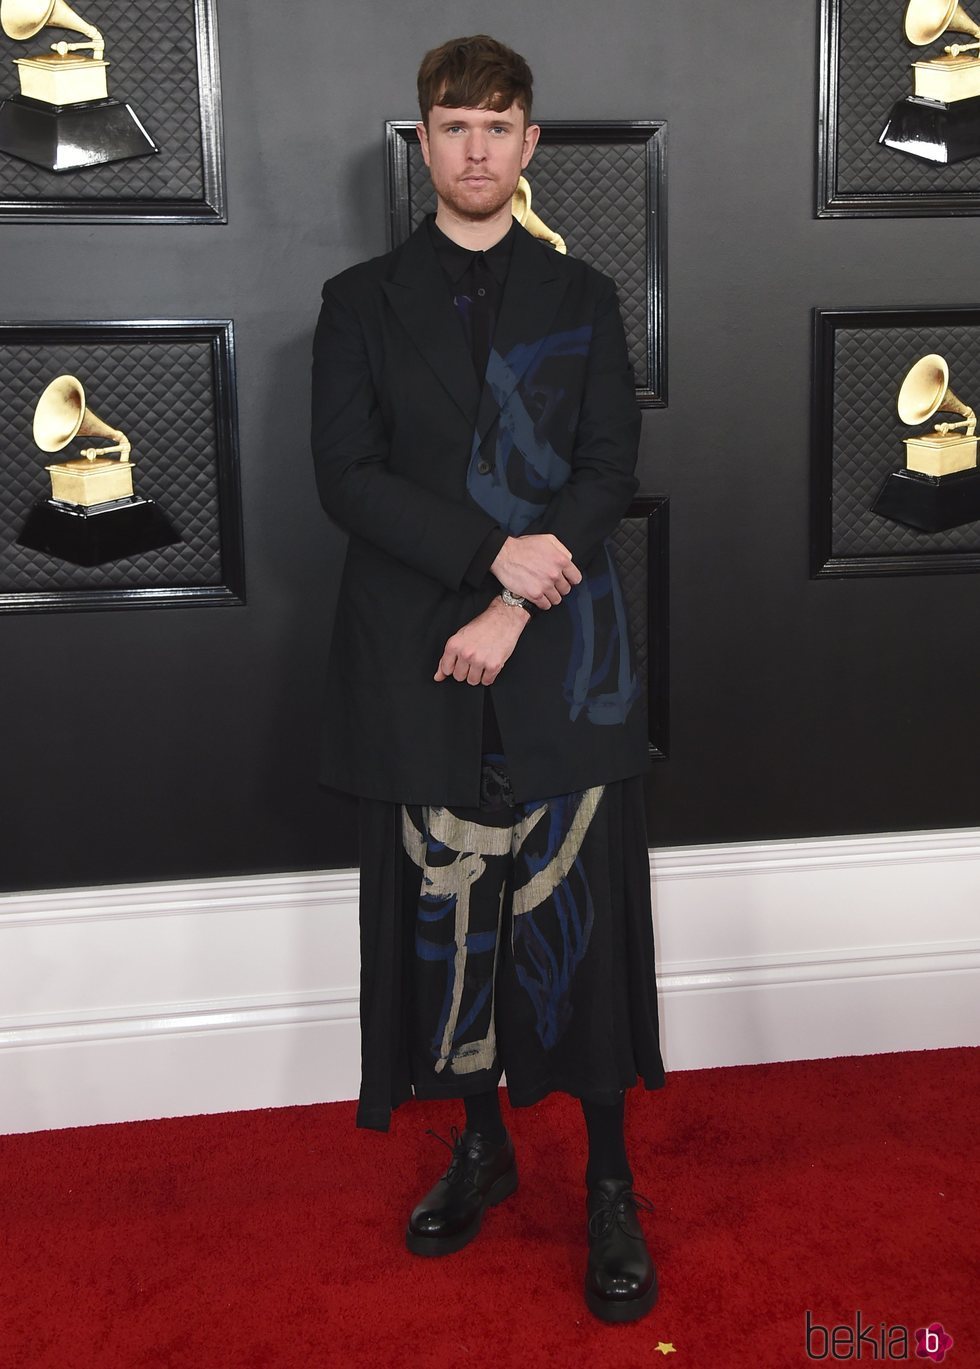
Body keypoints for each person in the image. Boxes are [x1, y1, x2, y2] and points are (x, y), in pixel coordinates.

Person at [311, 33, 665, 1324]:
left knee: (585, 930)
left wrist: (517, 595)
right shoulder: (359, 303)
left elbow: (606, 468)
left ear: (531, 143)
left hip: (563, 660)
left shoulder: (584, 300)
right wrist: (484, 557)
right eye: (452, 125)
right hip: (417, 660)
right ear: (425, 141)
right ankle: (482, 1146)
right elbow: (346, 480)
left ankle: (613, 1181)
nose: (475, 148)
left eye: (497, 125)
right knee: (444, 920)